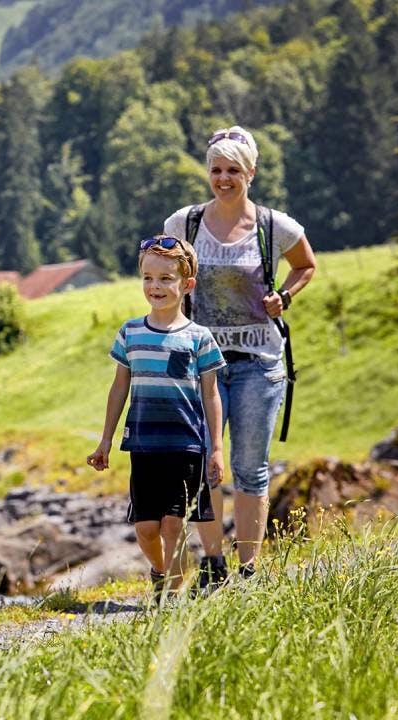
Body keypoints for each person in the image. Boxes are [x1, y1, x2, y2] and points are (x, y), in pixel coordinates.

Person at [163, 126, 317, 583]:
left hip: (260, 365)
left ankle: (248, 569)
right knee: (205, 464)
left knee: (251, 469)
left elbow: (305, 266)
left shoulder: (274, 226)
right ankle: (213, 566)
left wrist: (284, 298)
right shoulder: (183, 224)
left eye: (233, 170)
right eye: (216, 169)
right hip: (202, 365)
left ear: (251, 172)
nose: (224, 178)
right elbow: (162, 273)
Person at [87, 235, 225, 593]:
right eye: (148, 277)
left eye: (165, 278)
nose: (155, 286)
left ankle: (173, 599)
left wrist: (218, 448)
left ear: (187, 285)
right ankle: (162, 571)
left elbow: (211, 394)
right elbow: (119, 388)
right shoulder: (130, 332)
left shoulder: (199, 338)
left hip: (186, 447)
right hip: (143, 446)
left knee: (174, 524)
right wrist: (105, 440)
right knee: (147, 529)